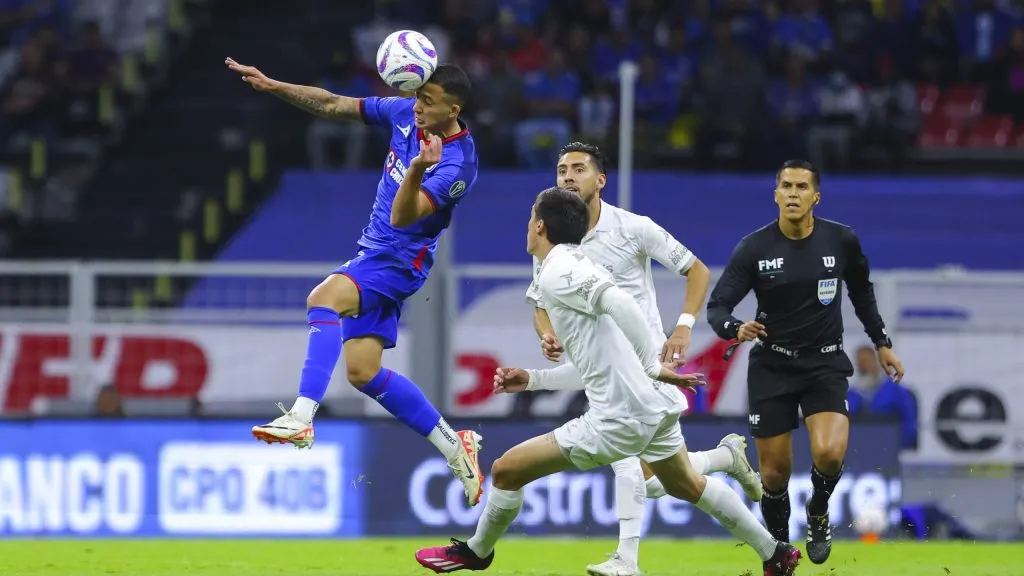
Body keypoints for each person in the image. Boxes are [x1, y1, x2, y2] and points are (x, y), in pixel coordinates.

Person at [415, 187, 802, 576]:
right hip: (652, 403)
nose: (528, 225)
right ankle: (774, 552)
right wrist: (532, 380)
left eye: (531, 217)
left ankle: (481, 552)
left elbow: (620, 302)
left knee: (506, 470)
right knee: (684, 483)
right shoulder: (572, 265)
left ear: (540, 225)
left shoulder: (560, 271)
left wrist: (652, 365)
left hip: (620, 416)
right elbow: (594, 364)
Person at [224, 58, 485, 506]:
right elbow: (332, 104)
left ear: (453, 109)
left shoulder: (458, 165)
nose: (418, 107)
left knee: (323, 298)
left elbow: (403, 217)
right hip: (374, 252)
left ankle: (301, 416)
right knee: (363, 372)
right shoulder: (405, 113)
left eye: (428, 101)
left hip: (399, 261)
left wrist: (418, 168)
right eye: (417, 97)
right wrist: (274, 85)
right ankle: (453, 445)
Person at [520, 142, 763, 576]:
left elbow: (697, 270)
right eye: (561, 170)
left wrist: (684, 326)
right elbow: (540, 304)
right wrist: (548, 334)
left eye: (578, 169)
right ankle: (726, 460)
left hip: (647, 365)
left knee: (629, 463)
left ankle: (627, 559)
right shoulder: (554, 238)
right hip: (602, 368)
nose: (568, 176)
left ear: (600, 180)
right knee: (660, 482)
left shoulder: (634, 228)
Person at [706, 159, 906, 565]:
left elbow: (862, 294)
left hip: (824, 363)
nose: (793, 194)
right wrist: (735, 328)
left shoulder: (841, 240)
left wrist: (881, 343)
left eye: (801, 187)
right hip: (772, 366)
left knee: (829, 453)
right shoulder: (754, 248)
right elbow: (718, 307)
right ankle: (780, 554)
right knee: (773, 476)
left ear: (816, 197)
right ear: (775, 194)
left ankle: (818, 510)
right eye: (786, 186)